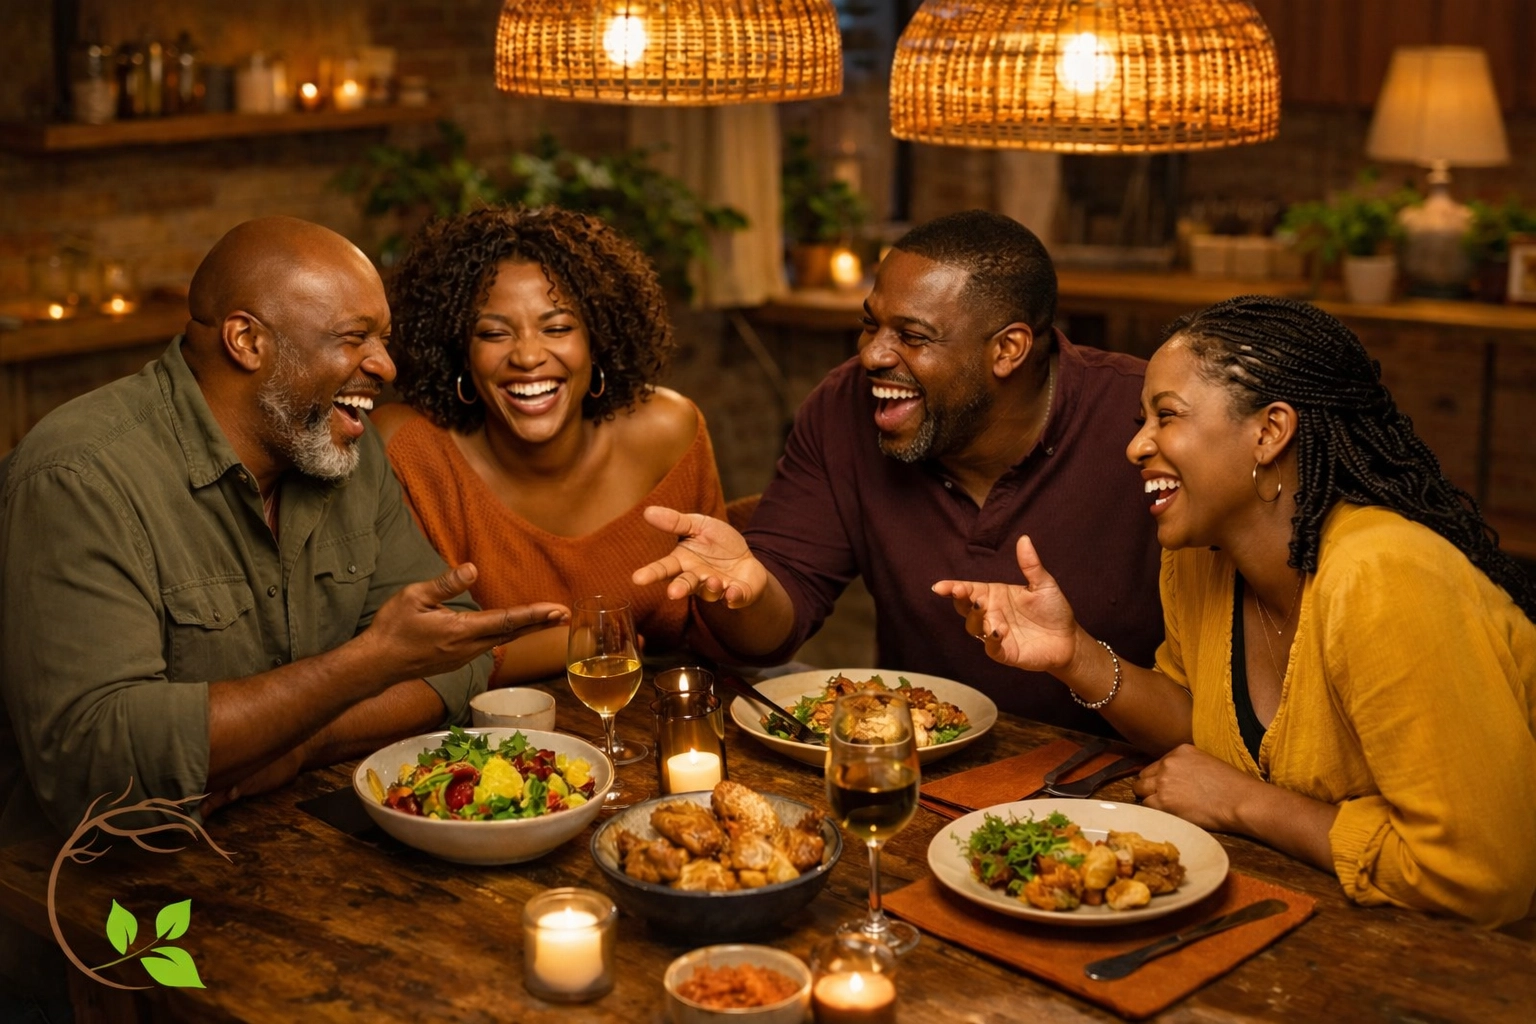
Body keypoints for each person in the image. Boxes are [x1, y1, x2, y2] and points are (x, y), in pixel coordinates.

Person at [935, 295, 1536, 928]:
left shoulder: (1382, 574)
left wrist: (1246, 804)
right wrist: (1073, 653)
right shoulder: (1201, 558)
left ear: (1269, 431)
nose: (1137, 445)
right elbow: (1203, 726)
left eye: (1166, 415)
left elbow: (1480, 874)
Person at [0, 216, 569, 844]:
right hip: (102, 897)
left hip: (295, 850)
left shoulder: (340, 444)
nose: (384, 366)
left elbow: (452, 661)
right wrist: (365, 667)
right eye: (355, 339)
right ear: (247, 341)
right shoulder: (79, 478)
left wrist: (301, 744)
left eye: (383, 338)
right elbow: (95, 760)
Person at [632, 210, 1163, 730]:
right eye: (871, 324)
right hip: (918, 763)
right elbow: (775, 624)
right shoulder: (844, 407)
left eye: (912, 336)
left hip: (1121, 783)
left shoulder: (1143, 420)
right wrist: (743, 594)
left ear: (1008, 349)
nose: (872, 356)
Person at [374, 206, 728, 685]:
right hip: (486, 746)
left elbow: (725, 625)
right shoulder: (412, 450)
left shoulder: (669, 431)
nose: (528, 356)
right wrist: (595, 641)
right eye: (494, 333)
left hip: (655, 720)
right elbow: (410, 657)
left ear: (597, 338)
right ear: (461, 350)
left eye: (557, 327)